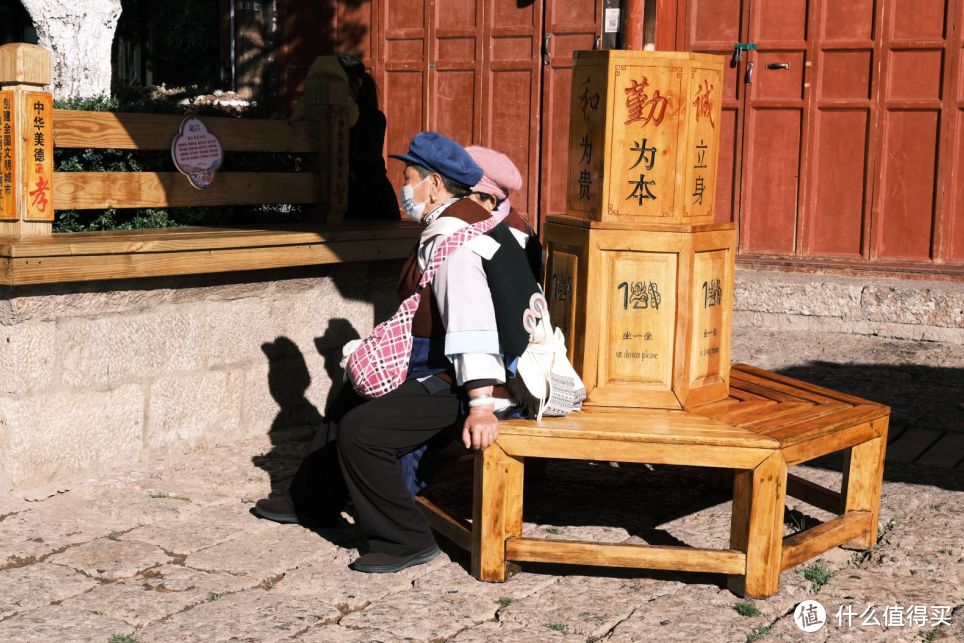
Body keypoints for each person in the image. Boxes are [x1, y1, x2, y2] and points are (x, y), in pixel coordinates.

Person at [254, 132, 541, 573]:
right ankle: (312, 501)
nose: (403, 188)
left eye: (408, 177)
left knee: (363, 431)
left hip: (461, 381)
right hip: (439, 366)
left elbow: (473, 328)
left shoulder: (457, 243)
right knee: (350, 395)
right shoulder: (461, 222)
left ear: (435, 183)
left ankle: (405, 538)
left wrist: (482, 406)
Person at [337, 55, 400, 221]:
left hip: (369, 198)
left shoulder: (373, 118)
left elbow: (359, 156)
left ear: (356, 85)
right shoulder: (329, 115)